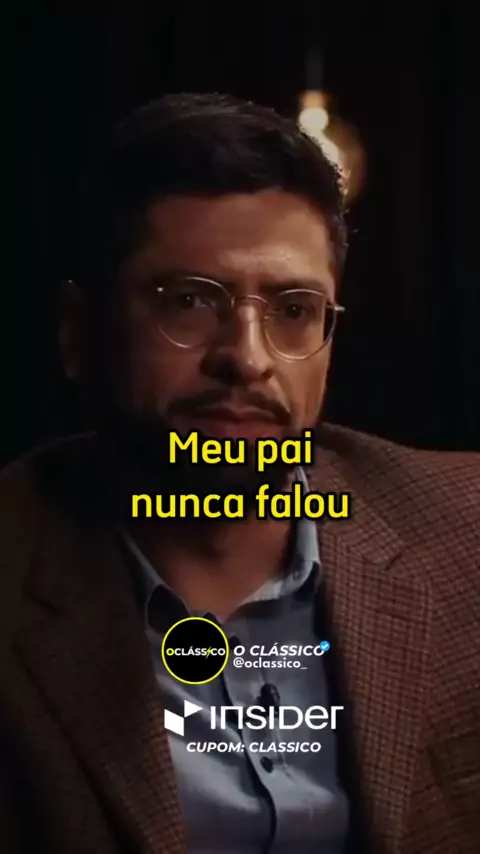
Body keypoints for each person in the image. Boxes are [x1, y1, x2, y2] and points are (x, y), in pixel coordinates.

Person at [0, 93, 479, 854]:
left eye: (293, 310)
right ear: (78, 335)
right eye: (189, 302)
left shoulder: (464, 530)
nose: (248, 359)